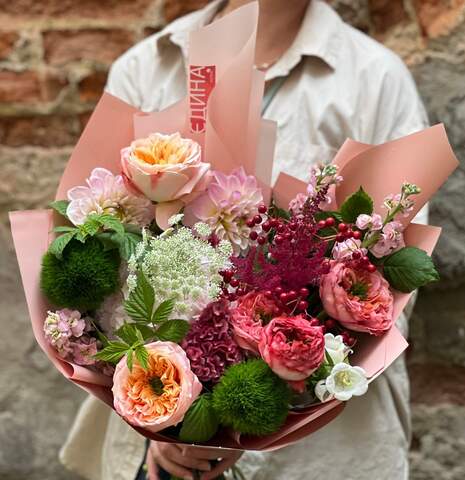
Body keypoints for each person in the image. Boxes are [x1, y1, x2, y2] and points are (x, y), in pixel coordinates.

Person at [60, 1, 429, 479]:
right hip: (159, 438)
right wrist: (172, 420)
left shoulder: (373, 78)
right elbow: (103, 248)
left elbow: (395, 265)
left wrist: (269, 397)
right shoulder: (150, 67)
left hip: (323, 452)